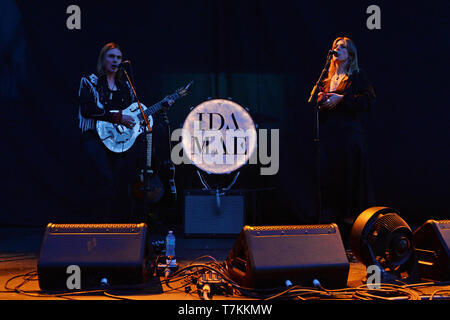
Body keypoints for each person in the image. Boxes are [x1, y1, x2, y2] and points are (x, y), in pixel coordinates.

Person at [77, 42, 172, 222]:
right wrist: (116, 118)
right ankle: (97, 226)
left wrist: (161, 107)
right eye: (111, 56)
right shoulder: (90, 81)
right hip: (94, 138)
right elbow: (87, 110)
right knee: (104, 179)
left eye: (118, 58)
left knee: (121, 182)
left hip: (118, 140)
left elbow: (133, 113)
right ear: (103, 59)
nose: (115, 61)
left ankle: (118, 226)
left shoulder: (124, 85)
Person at [317, 36, 376, 243]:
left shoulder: (357, 76)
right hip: (331, 139)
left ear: (350, 54)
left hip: (350, 139)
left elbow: (368, 102)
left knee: (351, 185)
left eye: (342, 47)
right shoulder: (326, 79)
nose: (337, 50)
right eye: (335, 47)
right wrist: (323, 101)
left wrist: (341, 98)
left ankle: (355, 238)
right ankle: (335, 237)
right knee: (334, 185)